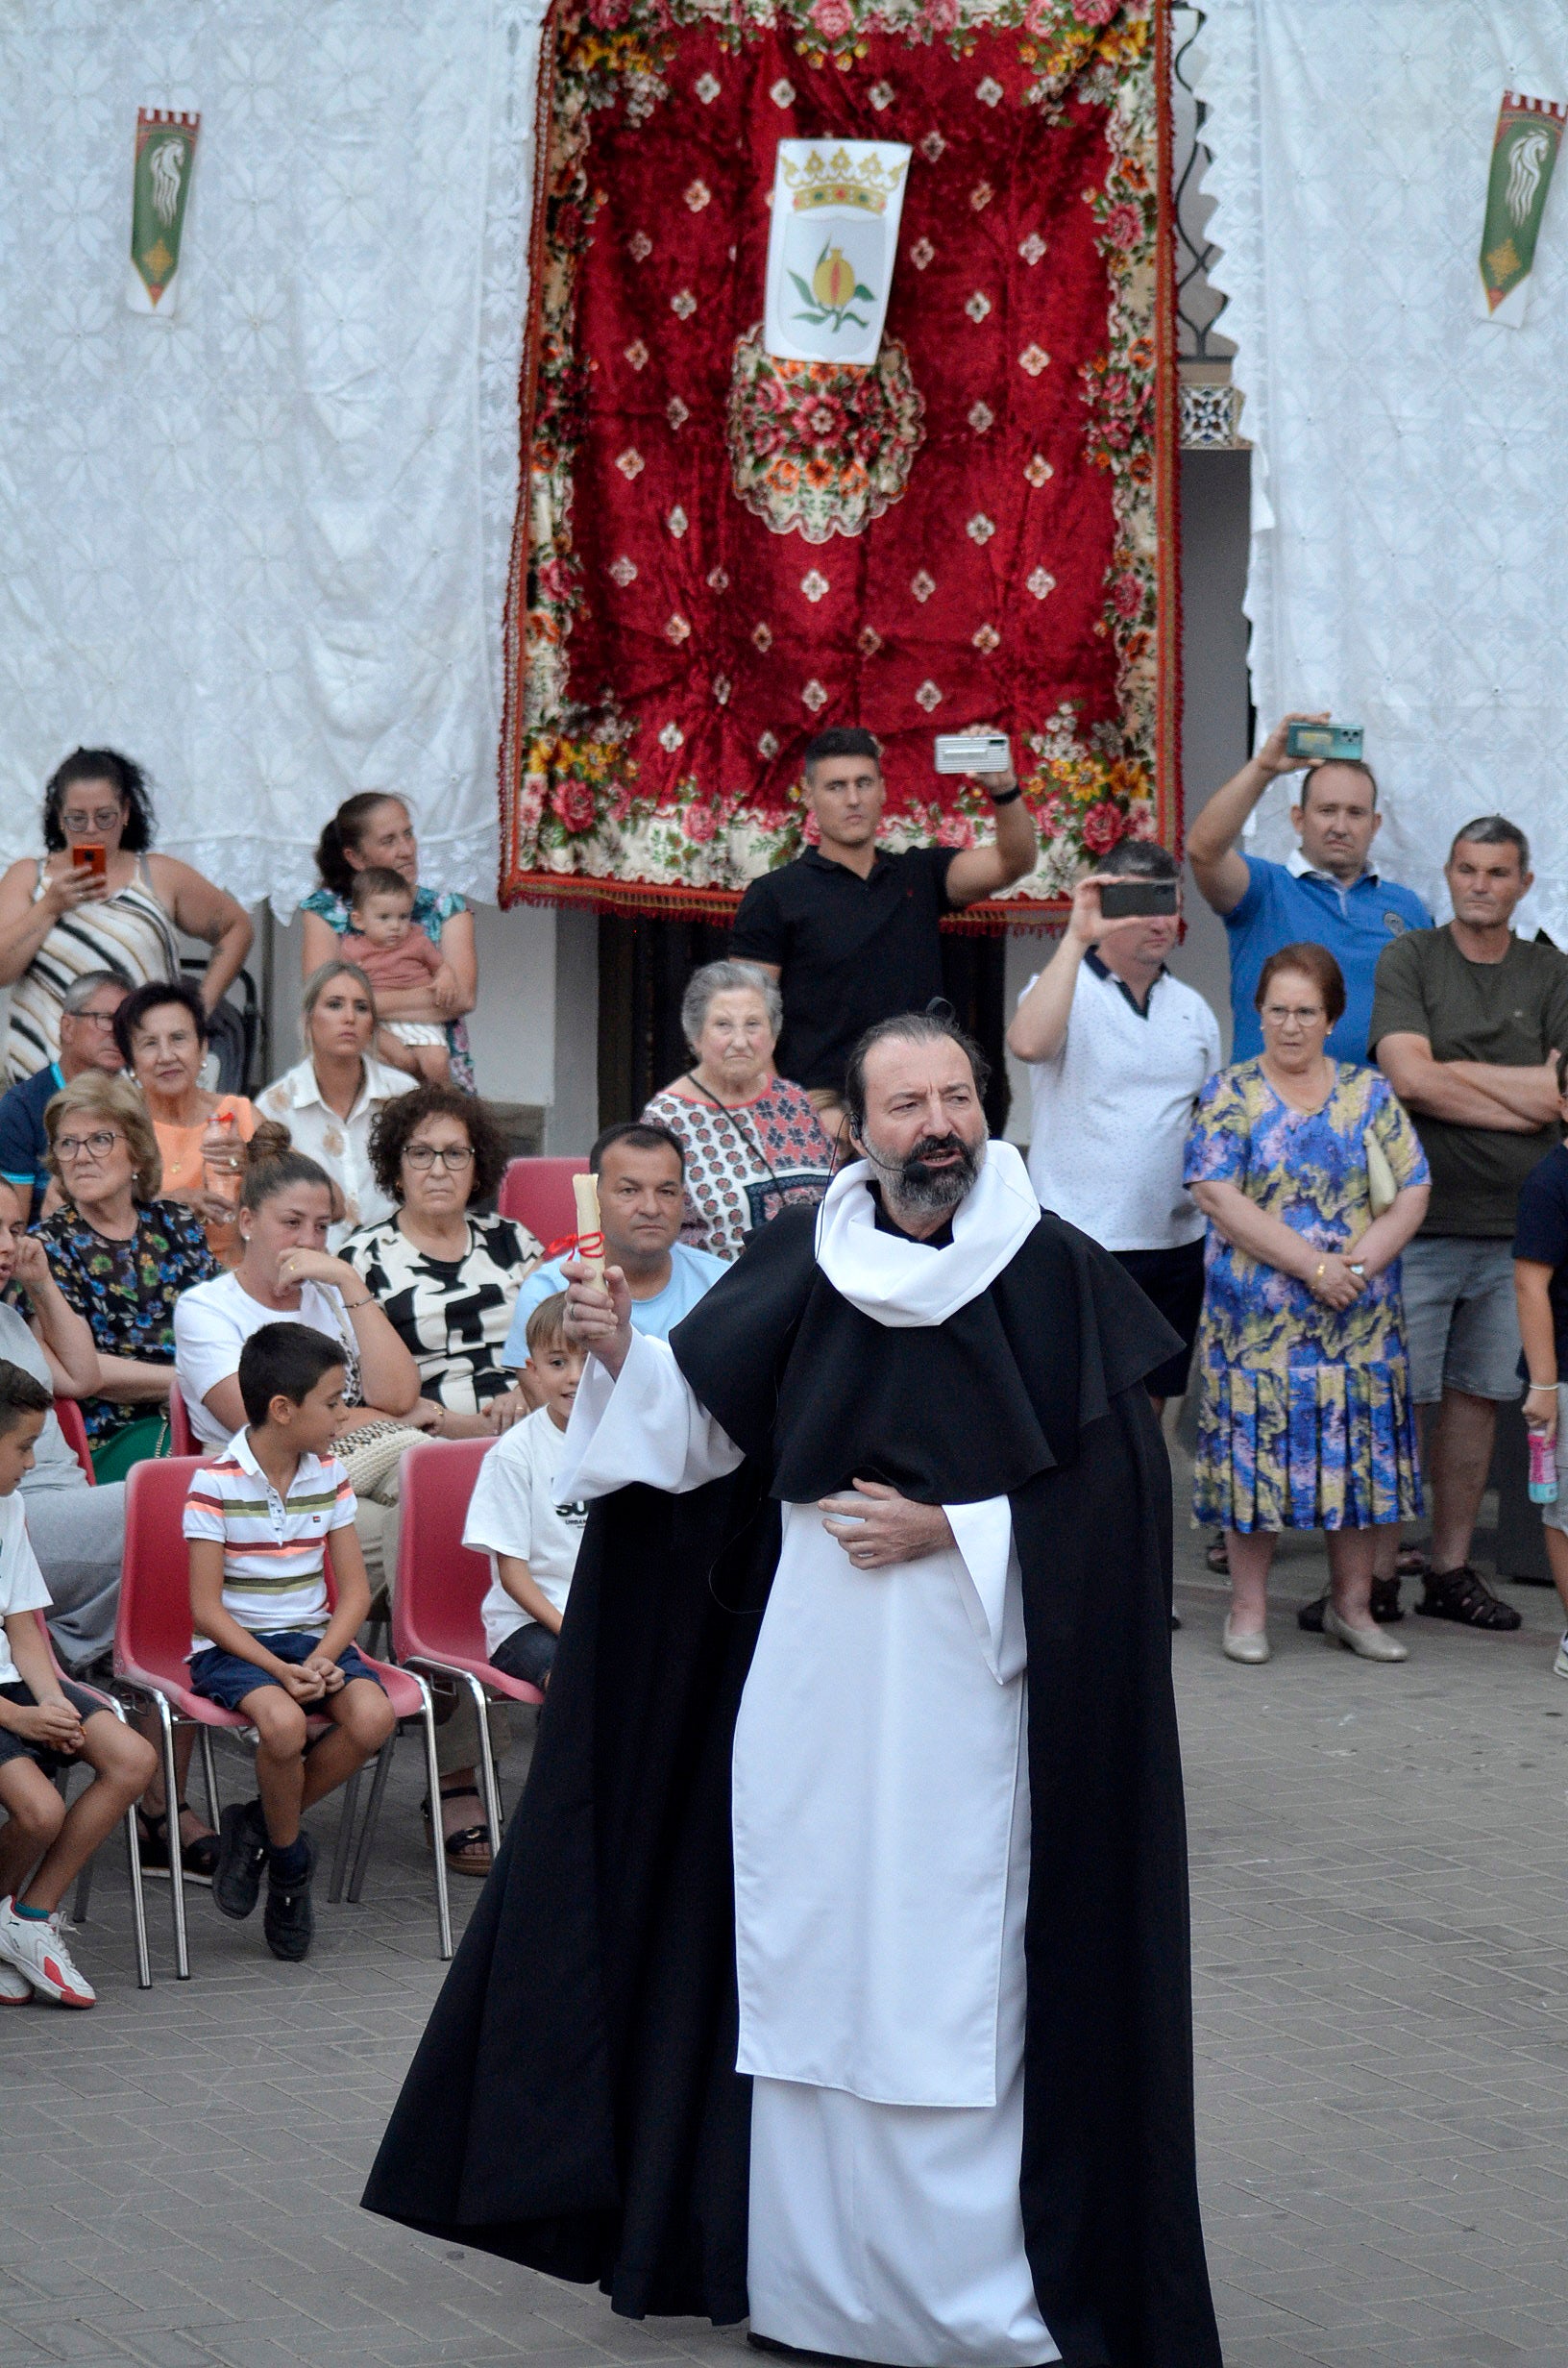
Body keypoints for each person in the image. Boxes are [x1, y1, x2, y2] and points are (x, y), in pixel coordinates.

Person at [364, 1013, 1222, 2368]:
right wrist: (615, 1354)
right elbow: (697, 1433)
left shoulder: (1053, 1269)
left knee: (949, 1970)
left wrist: (960, 1529)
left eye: (955, 1097)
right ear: (856, 1128)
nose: (935, 1124)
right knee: (809, 1945)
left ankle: (975, 2301)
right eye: (903, 1104)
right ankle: (813, 2287)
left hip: (970, 1692)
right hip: (816, 1677)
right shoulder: (801, 1258)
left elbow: (1119, 1506)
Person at [176, 1127, 495, 1880]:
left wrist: (345, 1282)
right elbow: (250, 1411)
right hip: (264, 1498)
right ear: (247, 1219)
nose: (309, 1240)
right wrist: (363, 1418)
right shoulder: (208, 1307)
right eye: (292, 1223)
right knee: (440, 1513)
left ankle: (267, 1822)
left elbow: (391, 1393)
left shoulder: (325, 1289)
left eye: (323, 1225)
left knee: (443, 1513)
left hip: (328, 1483)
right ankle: (454, 1768)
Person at [1186, 945, 1430, 1665]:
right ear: (1258, 1013)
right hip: (1256, 1327)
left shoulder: (1370, 1092)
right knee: (1254, 1468)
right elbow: (1215, 1194)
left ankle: (1352, 1609)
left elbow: (1413, 1185)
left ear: (1332, 1020)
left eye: (1306, 1012)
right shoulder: (1228, 1093)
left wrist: (1355, 1266)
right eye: (1277, 1010)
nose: (1290, 1025)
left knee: (1354, 1464)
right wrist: (1312, 1265)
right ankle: (1248, 1612)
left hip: (1359, 1320)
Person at [1371, 816, 1568, 1630]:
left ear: (1523, 884)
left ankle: (1448, 1572)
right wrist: (1517, 1096)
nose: (1479, 883)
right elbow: (1407, 1079)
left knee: (1477, 1402)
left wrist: (1450, 1072)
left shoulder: (1552, 972)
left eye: (1497, 872)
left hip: (1517, 1235)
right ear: (1446, 876)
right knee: (1397, 1401)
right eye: (1465, 869)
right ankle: (1374, 1578)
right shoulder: (1411, 957)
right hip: (1417, 1222)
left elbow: (1560, 1096)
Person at [184, 1324, 396, 1963]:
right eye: (332, 1403)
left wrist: (323, 1657)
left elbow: (354, 1594)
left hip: (311, 1640)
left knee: (375, 1716)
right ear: (284, 1409)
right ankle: (291, 1867)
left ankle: (257, 1824)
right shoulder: (215, 1484)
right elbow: (205, 1608)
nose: (342, 1416)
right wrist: (279, 1668)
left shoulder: (327, 1474)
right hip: (238, 1648)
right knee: (281, 1727)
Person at [1008, 840, 1220, 1415]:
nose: (1159, 919)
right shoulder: (1062, 988)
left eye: (1168, 901)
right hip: (1082, 1238)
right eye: (1139, 902)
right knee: (1073, 1403)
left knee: (1149, 1407)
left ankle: (1140, 1507)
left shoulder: (1193, 1008)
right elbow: (1028, 1043)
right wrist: (1077, 937)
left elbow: (1209, 1121)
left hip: (1174, 1240)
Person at [729, 726, 1038, 1101]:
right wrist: (792, 1115)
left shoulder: (919, 874)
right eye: (836, 786)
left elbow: (1014, 861)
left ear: (883, 790)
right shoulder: (773, 895)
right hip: (825, 1109)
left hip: (920, 1104)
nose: (853, 798)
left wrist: (1004, 787)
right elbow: (745, 1018)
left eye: (864, 783)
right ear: (808, 795)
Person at [0, 1362, 157, 2008]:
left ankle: (28, 1919)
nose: (34, 1463)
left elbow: (23, 1627)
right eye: (22, 1447)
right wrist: (17, 1719)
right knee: (40, 1812)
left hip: (15, 1682)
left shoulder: (6, 1505)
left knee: (132, 1758)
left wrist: (55, 1702)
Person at [1186, 717, 1432, 1065]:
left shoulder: (1406, 907)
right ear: (1299, 818)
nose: (1340, 827)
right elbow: (1203, 850)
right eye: (1327, 810)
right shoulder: (1263, 889)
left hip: (1375, 1113)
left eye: (1356, 813)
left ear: (1375, 825)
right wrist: (1263, 768)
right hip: (1273, 1112)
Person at [0, 748, 253, 1085]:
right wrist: (50, 906)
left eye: (104, 817)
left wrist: (196, 1011)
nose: (91, 830)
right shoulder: (29, 878)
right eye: (77, 818)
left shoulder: (158, 875)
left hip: (143, 1082)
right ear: (59, 819)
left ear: (126, 813)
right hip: (45, 1083)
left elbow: (237, 928)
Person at [37, 1073, 219, 1482]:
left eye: (100, 1140)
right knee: (205, 1473)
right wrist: (190, 1381)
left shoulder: (177, 1224)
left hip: (203, 1408)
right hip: (110, 1432)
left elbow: (219, 1323)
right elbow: (83, 1371)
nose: (82, 1156)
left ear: (137, 1153)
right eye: (68, 1143)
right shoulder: (47, 1246)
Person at [339, 1085, 543, 1438]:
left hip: (531, 1423)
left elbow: (558, 1343)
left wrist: (524, 1393)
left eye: (455, 1154)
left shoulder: (513, 1240)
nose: (438, 1170)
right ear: (397, 1172)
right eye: (420, 1154)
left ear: (477, 1170)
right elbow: (369, 1394)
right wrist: (460, 1425)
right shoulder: (361, 1260)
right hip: (422, 1437)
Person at [640, 959, 836, 1260]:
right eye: (723, 1026)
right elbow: (650, 1223)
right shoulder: (666, 1118)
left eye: (753, 1024)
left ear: (773, 1035)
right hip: (716, 1293)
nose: (740, 1042)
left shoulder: (795, 1101)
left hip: (807, 1288)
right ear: (695, 1036)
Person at [301, 795, 477, 1091]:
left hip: (436, 1075)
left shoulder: (447, 908)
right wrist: (425, 998)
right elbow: (320, 1001)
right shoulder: (325, 911)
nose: (407, 850)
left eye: (408, 834)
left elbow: (461, 998)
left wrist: (362, 1004)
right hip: (358, 1075)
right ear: (355, 858)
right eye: (388, 841)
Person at [502, 1121, 725, 1353]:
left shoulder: (723, 1286)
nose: (651, 1208)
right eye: (629, 1191)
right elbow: (533, 1386)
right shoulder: (547, 1290)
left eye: (666, 1192)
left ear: (683, 1200)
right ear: (593, 1198)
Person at [461, 1295, 587, 1695]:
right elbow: (513, 1577)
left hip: (605, 1615)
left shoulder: (628, 1441)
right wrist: (573, 1632)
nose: (575, 1377)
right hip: (527, 1624)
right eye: (557, 1363)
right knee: (576, 1684)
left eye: (590, 1361)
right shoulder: (515, 1455)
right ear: (531, 1371)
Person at [255, 961, 413, 1247]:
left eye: (362, 1007)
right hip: (310, 1263)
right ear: (307, 1020)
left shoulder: (404, 1096)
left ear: (372, 1026)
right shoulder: (275, 1107)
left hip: (400, 1258)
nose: (350, 1017)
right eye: (335, 1005)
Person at [115, 980, 257, 1267]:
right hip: (141, 1280)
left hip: (233, 1280)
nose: (166, 1056)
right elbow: (78, 1210)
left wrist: (256, 1163)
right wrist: (167, 1205)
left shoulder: (239, 1114)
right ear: (131, 1062)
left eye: (178, 1038)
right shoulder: (115, 1125)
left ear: (203, 1049)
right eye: (150, 1044)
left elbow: (321, 1197)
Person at [1513, 1065, 1568, 1677]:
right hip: (1565, 1376)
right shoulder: (1551, 1181)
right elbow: (1531, 1284)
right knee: (1564, 1511)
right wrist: (1546, 1386)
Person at [0, 970, 127, 1221]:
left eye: (126, 1022)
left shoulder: (134, 1105)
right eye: (105, 1019)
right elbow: (13, 1230)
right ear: (68, 1027)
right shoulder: (21, 1108)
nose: (117, 1033)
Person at [339, 869, 455, 1084]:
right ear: (359, 920)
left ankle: (446, 1107)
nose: (395, 926)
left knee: (436, 1062)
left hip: (418, 1017)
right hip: (376, 1021)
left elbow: (441, 967)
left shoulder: (417, 941)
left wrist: (446, 979)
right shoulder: (352, 950)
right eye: (384, 918)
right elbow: (341, 984)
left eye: (403, 917)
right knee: (388, 1065)